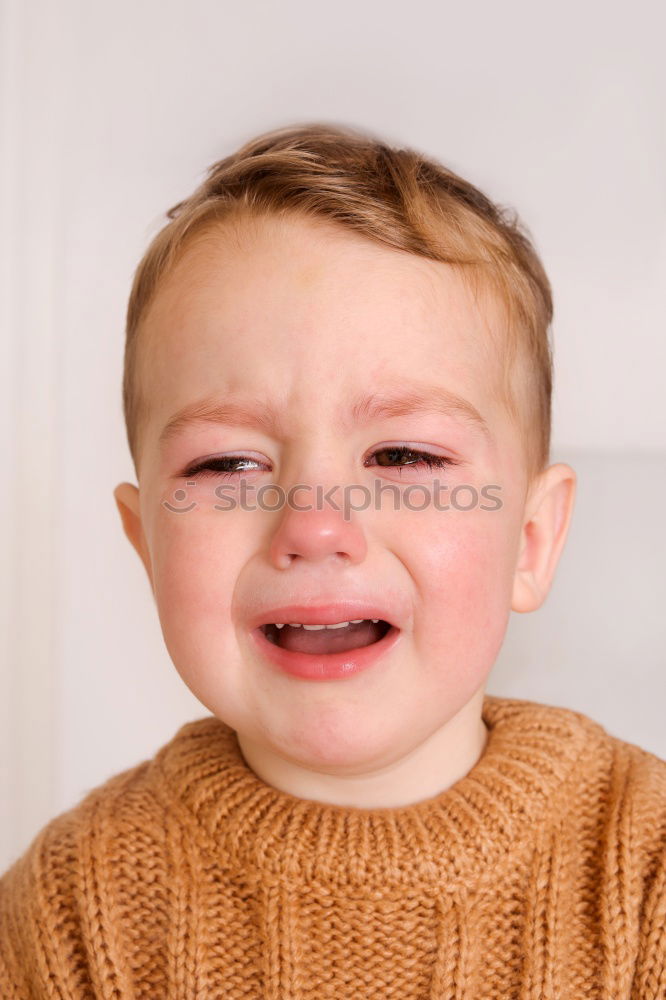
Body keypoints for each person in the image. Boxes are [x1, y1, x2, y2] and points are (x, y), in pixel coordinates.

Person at [1, 121, 664, 998]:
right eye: (228, 464)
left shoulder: (644, 869)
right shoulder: (72, 907)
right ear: (146, 550)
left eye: (404, 457)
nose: (314, 525)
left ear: (532, 542)